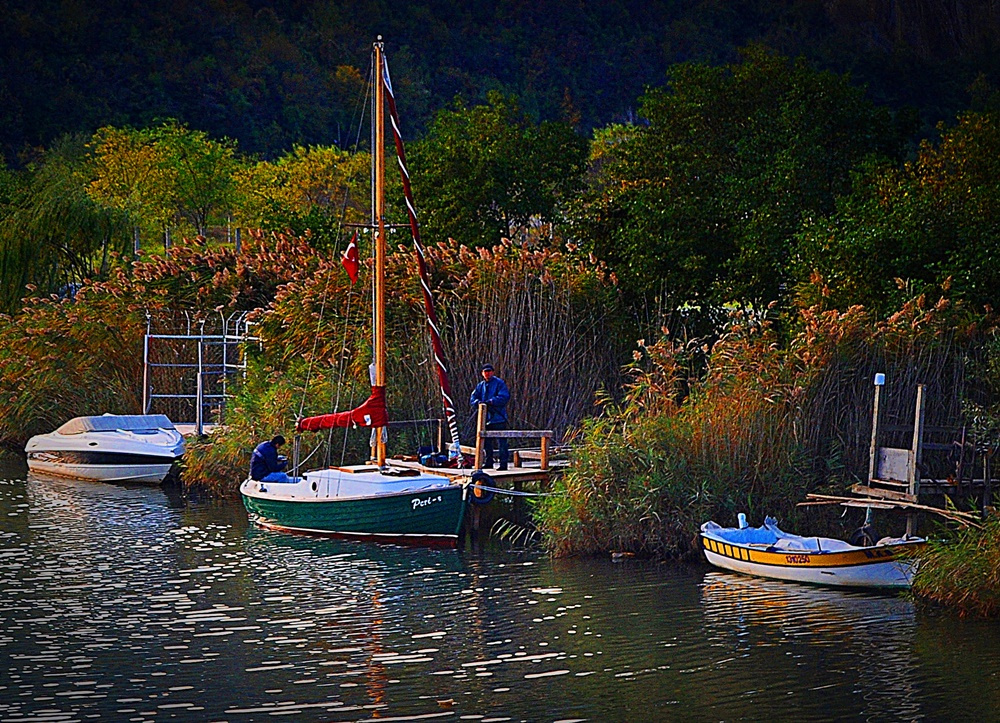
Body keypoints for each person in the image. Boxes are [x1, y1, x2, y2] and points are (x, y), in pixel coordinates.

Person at [469, 363, 510, 470]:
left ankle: (503, 464)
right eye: (485, 372)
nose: (487, 373)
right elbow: (473, 398)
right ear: (482, 373)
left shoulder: (499, 383)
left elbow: (504, 397)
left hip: (498, 417)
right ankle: (488, 462)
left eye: (489, 371)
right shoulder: (480, 386)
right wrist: (479, 403)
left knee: (502, 443)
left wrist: (491, 402)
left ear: (492, 372)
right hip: (485, 419)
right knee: (487, 443)